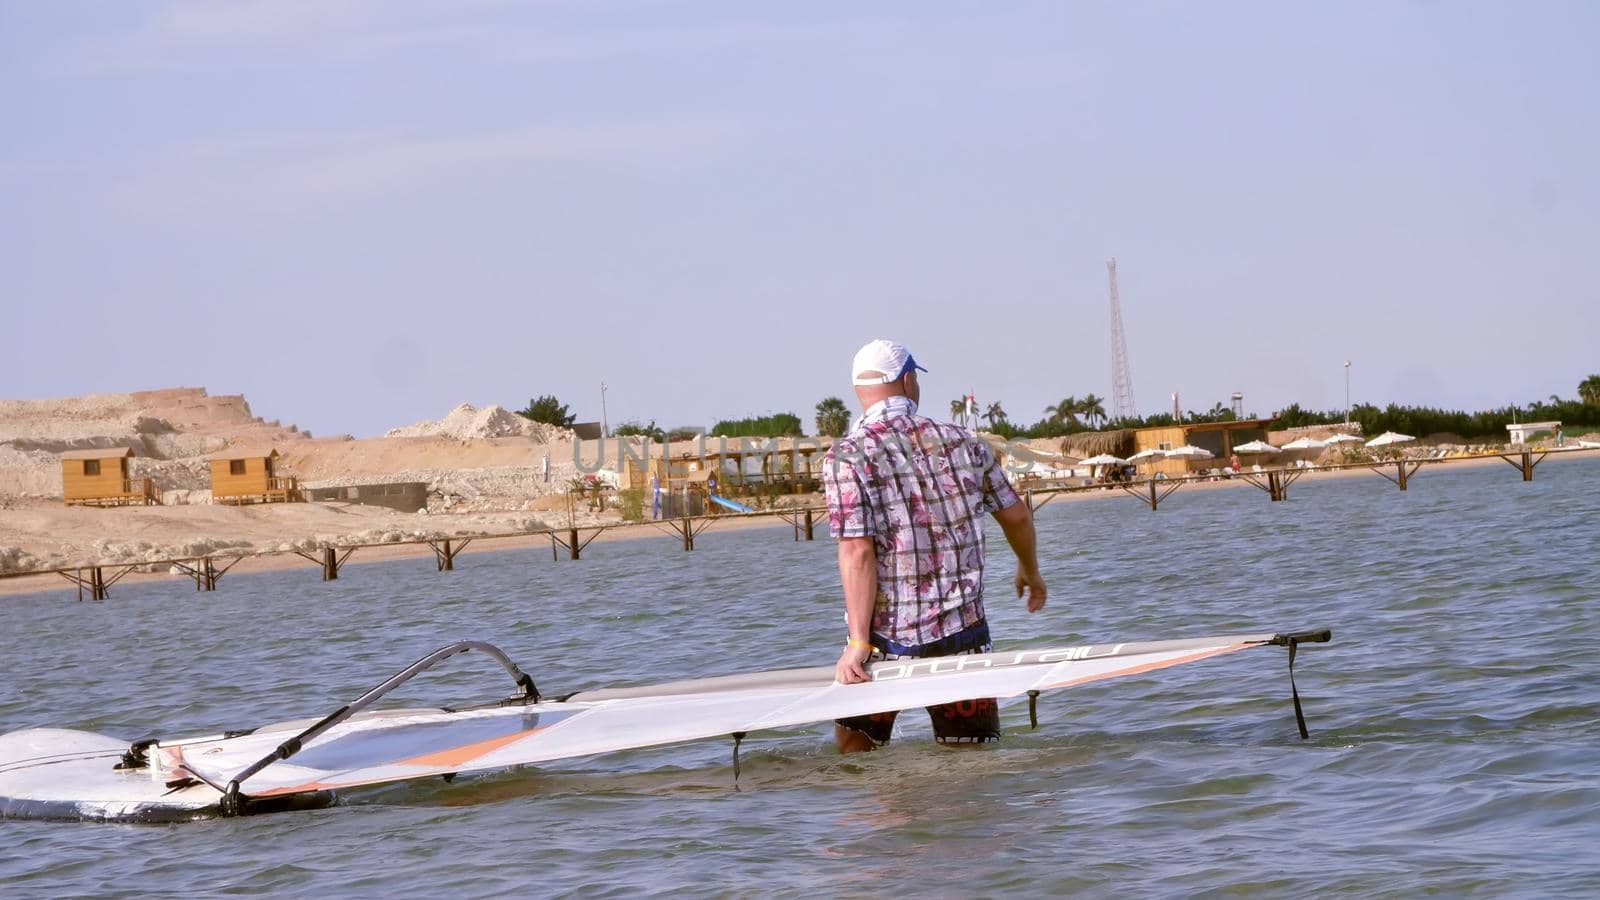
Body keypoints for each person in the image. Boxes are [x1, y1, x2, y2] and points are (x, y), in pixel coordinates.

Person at [822, 338, 1047, 752]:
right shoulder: (965, 441)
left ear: (859, 391)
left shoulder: (846, 457)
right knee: (970, 770)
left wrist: (857, 644)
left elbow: (858, 552)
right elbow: (1016, 515)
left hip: (885, 643)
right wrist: (1029, 570)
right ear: (908, 381)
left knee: (857, 760)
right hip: (964, 636)